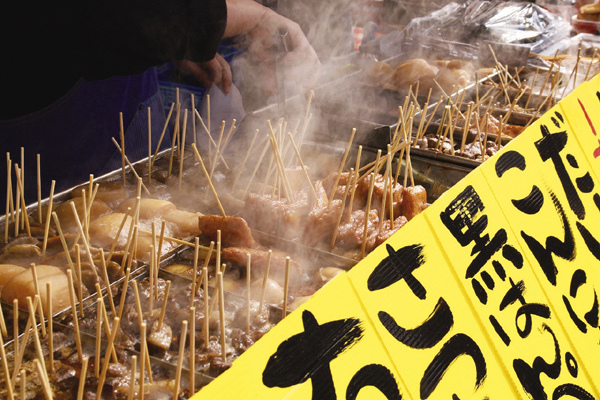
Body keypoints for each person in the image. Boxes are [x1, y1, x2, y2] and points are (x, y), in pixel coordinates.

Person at [0, 0, 320, 212]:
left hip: (129, 94)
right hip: (38, 114)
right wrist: (248, 18)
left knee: (159, 209)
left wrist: (169, 42)